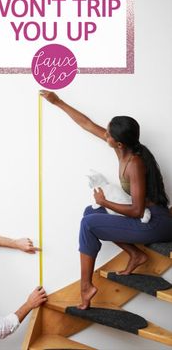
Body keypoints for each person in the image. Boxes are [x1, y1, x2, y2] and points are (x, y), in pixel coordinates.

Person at [40, 90, 172, 309]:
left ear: (119, 143)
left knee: (89, 223)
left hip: (156, 223)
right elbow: (88, 124)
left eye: (109, 134)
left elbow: (138, 211)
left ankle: (86, 287)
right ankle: (135, 255)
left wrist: (105, 202)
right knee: (90, 213)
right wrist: (58, 102)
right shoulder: (123, 150)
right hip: (148, 220)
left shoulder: (135, 164)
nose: (105, 135)